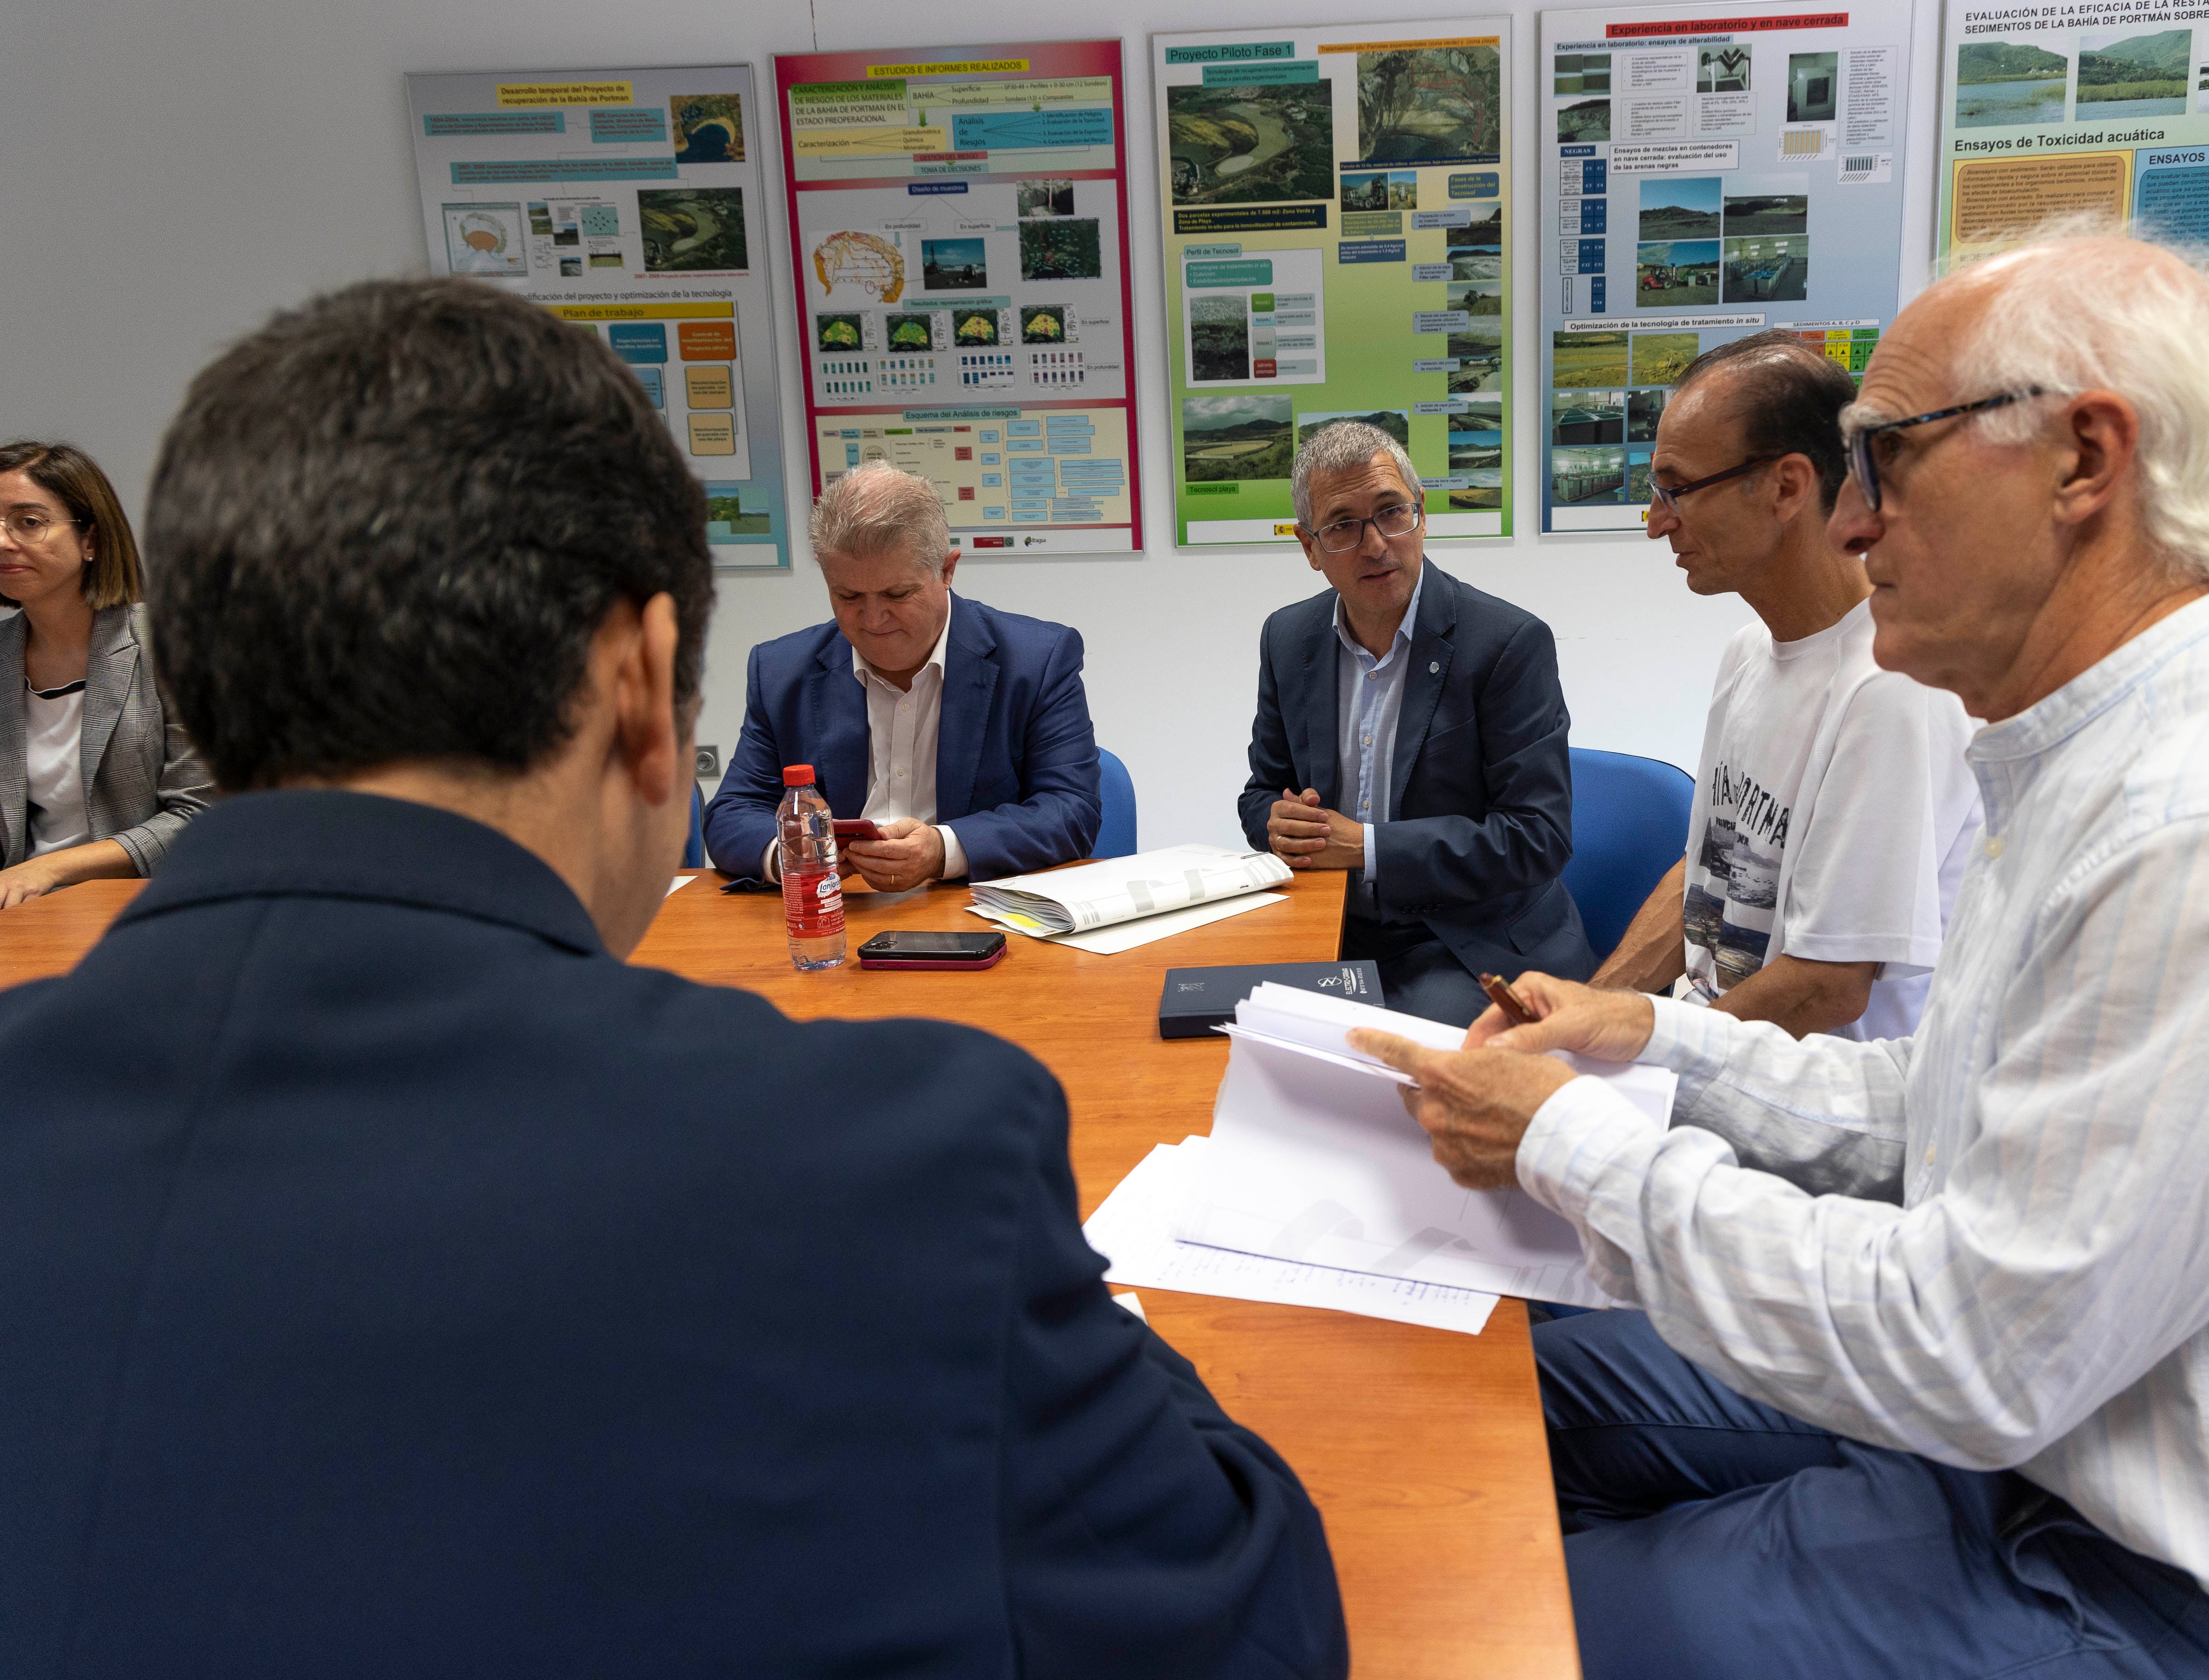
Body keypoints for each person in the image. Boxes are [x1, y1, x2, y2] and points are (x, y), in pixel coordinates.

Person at [0, 277, 1344, 1679]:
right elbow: (1258, 1628)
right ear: (647, 682)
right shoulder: (902, 1160)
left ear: (202, 682)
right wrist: (1079, 1303)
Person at [1347, 230, 2209, 1677]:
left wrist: (1574, 1145)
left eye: (1887, 460)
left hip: (2165, 1594)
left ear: (2085, 460)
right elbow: (1936, 1106)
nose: (1852, 525)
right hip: (2039, 1462)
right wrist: (1650, 1041)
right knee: (1491, 1447)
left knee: (1482, 1610)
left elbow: (1975, 1352)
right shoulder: (2092, 756)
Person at [1591, 332, 1981, 1040]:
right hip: (1714, 1056)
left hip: (1803, 1111)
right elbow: (1707, 876)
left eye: (1676, 490)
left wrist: (1631, 1048)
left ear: (1787, 487)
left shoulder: (1894, 687)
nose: (1657, 523)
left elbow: (1825, 990)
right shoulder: (1748, 655)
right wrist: (1585, 1008)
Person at [1241, 420, 1590, 1027]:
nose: (1375, 544)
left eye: (1391, 513)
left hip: (1469, 939)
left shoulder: (1506, 644)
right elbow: (1260, 796)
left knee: (1396, 1063)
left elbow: (1538, 838)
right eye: (1344, 525)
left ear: (1421, 516)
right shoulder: (1288, 639)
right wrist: (1276, 822)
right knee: (1222, 1022)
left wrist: (1367, 849)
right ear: (1310, 548)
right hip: (1336, 928)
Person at [704, 461, 1099, 892]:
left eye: (897, 594)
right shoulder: (781, 671)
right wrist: (797, 857)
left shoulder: (1036, 661)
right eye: (849, 595)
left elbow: (1070, 810)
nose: (873, 619)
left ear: (947, 571)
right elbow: (732, 814)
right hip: (832, 908)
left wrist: (943, 850)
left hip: (973, 908)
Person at [0, 440, 212, 907]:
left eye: (29, 523)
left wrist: (48, 869)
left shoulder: (170, 645)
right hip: (19, 913)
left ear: (90, 540)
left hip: (151, 908)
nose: (2, 541)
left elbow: (201, 813)